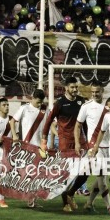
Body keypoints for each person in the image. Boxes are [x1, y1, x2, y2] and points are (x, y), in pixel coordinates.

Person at [41, 77, 86, 212]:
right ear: (66, 88)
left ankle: (71, 193)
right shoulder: (60, 103)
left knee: (87, 169)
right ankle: (65, 203)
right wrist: (44, 140)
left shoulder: (81, 101)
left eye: (76, 87)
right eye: (72, 87)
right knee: (66, 173)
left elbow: (86, 122)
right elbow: (48, 121)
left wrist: (88, 139)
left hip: (81, 140)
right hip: (65, 141)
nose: (75, 90)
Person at [75, 81, 110, 212]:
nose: (94, 94)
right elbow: (78, 125)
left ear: (102, 91)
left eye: (97, 92)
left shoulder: (109, 106)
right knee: (102, 177)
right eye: (93, 92)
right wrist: (78, 143)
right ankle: (109, 206)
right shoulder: (86, 106)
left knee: (102, 177)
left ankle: (89, 203)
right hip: (94, 148)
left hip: (108, 147)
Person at [10, 88, 48, 208]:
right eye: (38, 102)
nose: (40, 104)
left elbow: (47, 127)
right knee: (30, 173)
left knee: (37, 174)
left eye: (41, 102)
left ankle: (32, 200)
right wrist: (15, 135)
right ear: (33, 98)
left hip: (39, 147)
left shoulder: (44, 109)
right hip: (27, 146)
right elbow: (12, 121)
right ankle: (29, 198)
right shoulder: (24, 108)